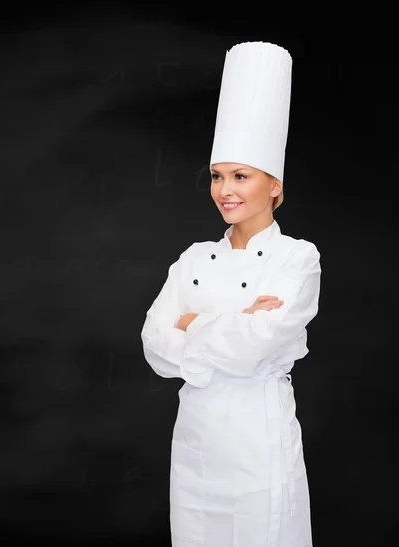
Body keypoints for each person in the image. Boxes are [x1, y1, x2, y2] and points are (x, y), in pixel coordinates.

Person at [140, 42, 321, 547]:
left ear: (274, 186)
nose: (226, 190)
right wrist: (238, 320)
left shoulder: (296, 258)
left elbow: (262, 342)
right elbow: (154, 346)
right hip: (197, 439)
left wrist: (190, 324)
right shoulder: (194, 258)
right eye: (218, 177)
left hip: (257, 439)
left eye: (241, 176)